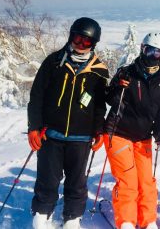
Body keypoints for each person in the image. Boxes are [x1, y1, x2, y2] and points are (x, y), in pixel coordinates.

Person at [27, 17, 109, 229]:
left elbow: (100, 106)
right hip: (50, 134)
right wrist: (33, 128)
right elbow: (37, 96)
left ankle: (72, 217)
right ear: (71, 36)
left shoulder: (99, 71)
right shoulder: (54, 62)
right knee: (47, 178)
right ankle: (42, 212)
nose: (80, 45)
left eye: (87, 42)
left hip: (81, 139)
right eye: (77, 38)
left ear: (94, 44)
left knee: (77, 182)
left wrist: (100, 131)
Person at [102, 33, 160, 229]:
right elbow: (109, 99)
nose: (152, 55)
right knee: (128, 181)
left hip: (143, 137)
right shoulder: (127, 73)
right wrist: (116, 86)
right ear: (142, 48)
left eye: (157, 53)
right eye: (149, 50)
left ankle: (148, 221)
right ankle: (126, 222)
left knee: (146, 182)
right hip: (118, 132)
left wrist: (159, 129)